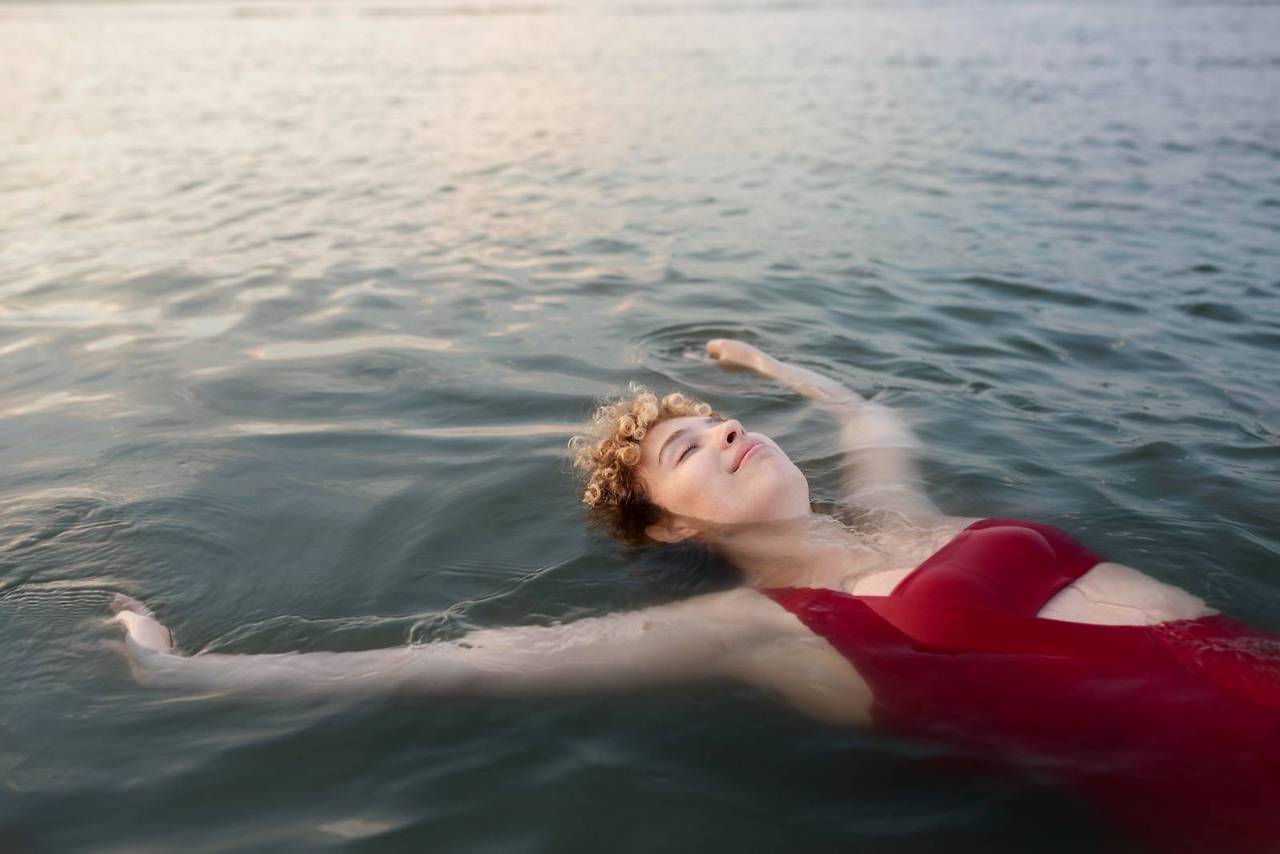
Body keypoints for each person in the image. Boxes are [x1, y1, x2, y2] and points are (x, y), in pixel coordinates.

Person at [111, 338, 1280, 852]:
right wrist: (186, 670)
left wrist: (763, 365)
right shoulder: (752, 625)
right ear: (667, 525)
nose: (720, 428)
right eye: (681, 449)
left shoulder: (884, 509)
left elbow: (870, 418)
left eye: (718, 419)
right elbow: (465, 660)